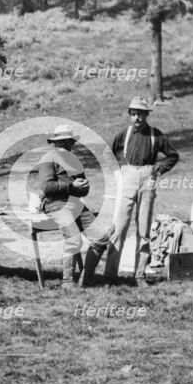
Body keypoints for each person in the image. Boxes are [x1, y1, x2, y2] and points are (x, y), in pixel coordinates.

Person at [104, 96, 179, 285]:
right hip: (127, 176)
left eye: (141, 114)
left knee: (144, 228)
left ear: (146, 115)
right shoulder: (125, 133)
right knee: (119, 226)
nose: (137, 118)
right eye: (134, 114)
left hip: (148, 177)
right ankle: (110, 275)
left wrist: (158, 170)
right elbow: (107, 153)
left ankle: (139, 274)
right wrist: (117, 172)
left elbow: (172, 155)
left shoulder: (155, 134)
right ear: (130, 115)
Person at [38, 124, 109, 289]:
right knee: (74, 239)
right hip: (55, 204)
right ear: (55, 143)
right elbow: (47, 187)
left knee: (101, 238)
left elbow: (84, 189)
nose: (65, 146)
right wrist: (72, 186)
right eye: (61, 142)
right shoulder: (48, 160)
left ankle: (85, 279)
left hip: (75, 203)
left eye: (68, 142)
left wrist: (83, 186)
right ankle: (68, 282)